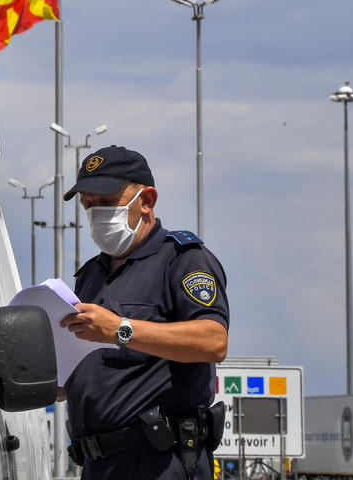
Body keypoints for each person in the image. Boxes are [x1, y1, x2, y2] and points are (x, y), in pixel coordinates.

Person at [58, 145, 229, 480]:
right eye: (88, 205)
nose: (96, 214)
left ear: (146, 201)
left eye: (107, 202)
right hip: (97, 464)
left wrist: (121, 329)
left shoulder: (183, 259)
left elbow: (213, 341)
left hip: (159, 463)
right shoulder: (90, 275)